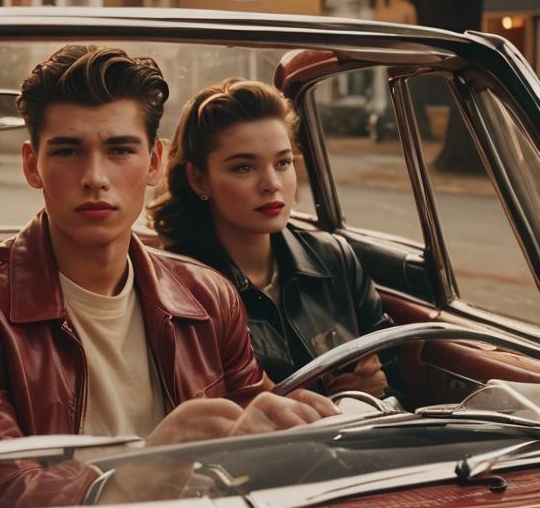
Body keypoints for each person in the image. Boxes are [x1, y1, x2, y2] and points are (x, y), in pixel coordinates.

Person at [0, 46, 337, 508]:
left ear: (155, 163)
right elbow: (0, 488)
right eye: (69, 151)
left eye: (120, 150)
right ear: (33, 165)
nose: (95, 177)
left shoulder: (209, 295)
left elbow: (257, 424)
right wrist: (157, 459)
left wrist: (287, 429)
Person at [149, 77, 404, 399]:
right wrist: (332, 403)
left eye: (283, 163)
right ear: (199, 179)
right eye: (244, 167)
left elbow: (397, 380)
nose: (271, 183)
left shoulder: (334, 258)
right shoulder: (180, 288)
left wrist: (377, 390)